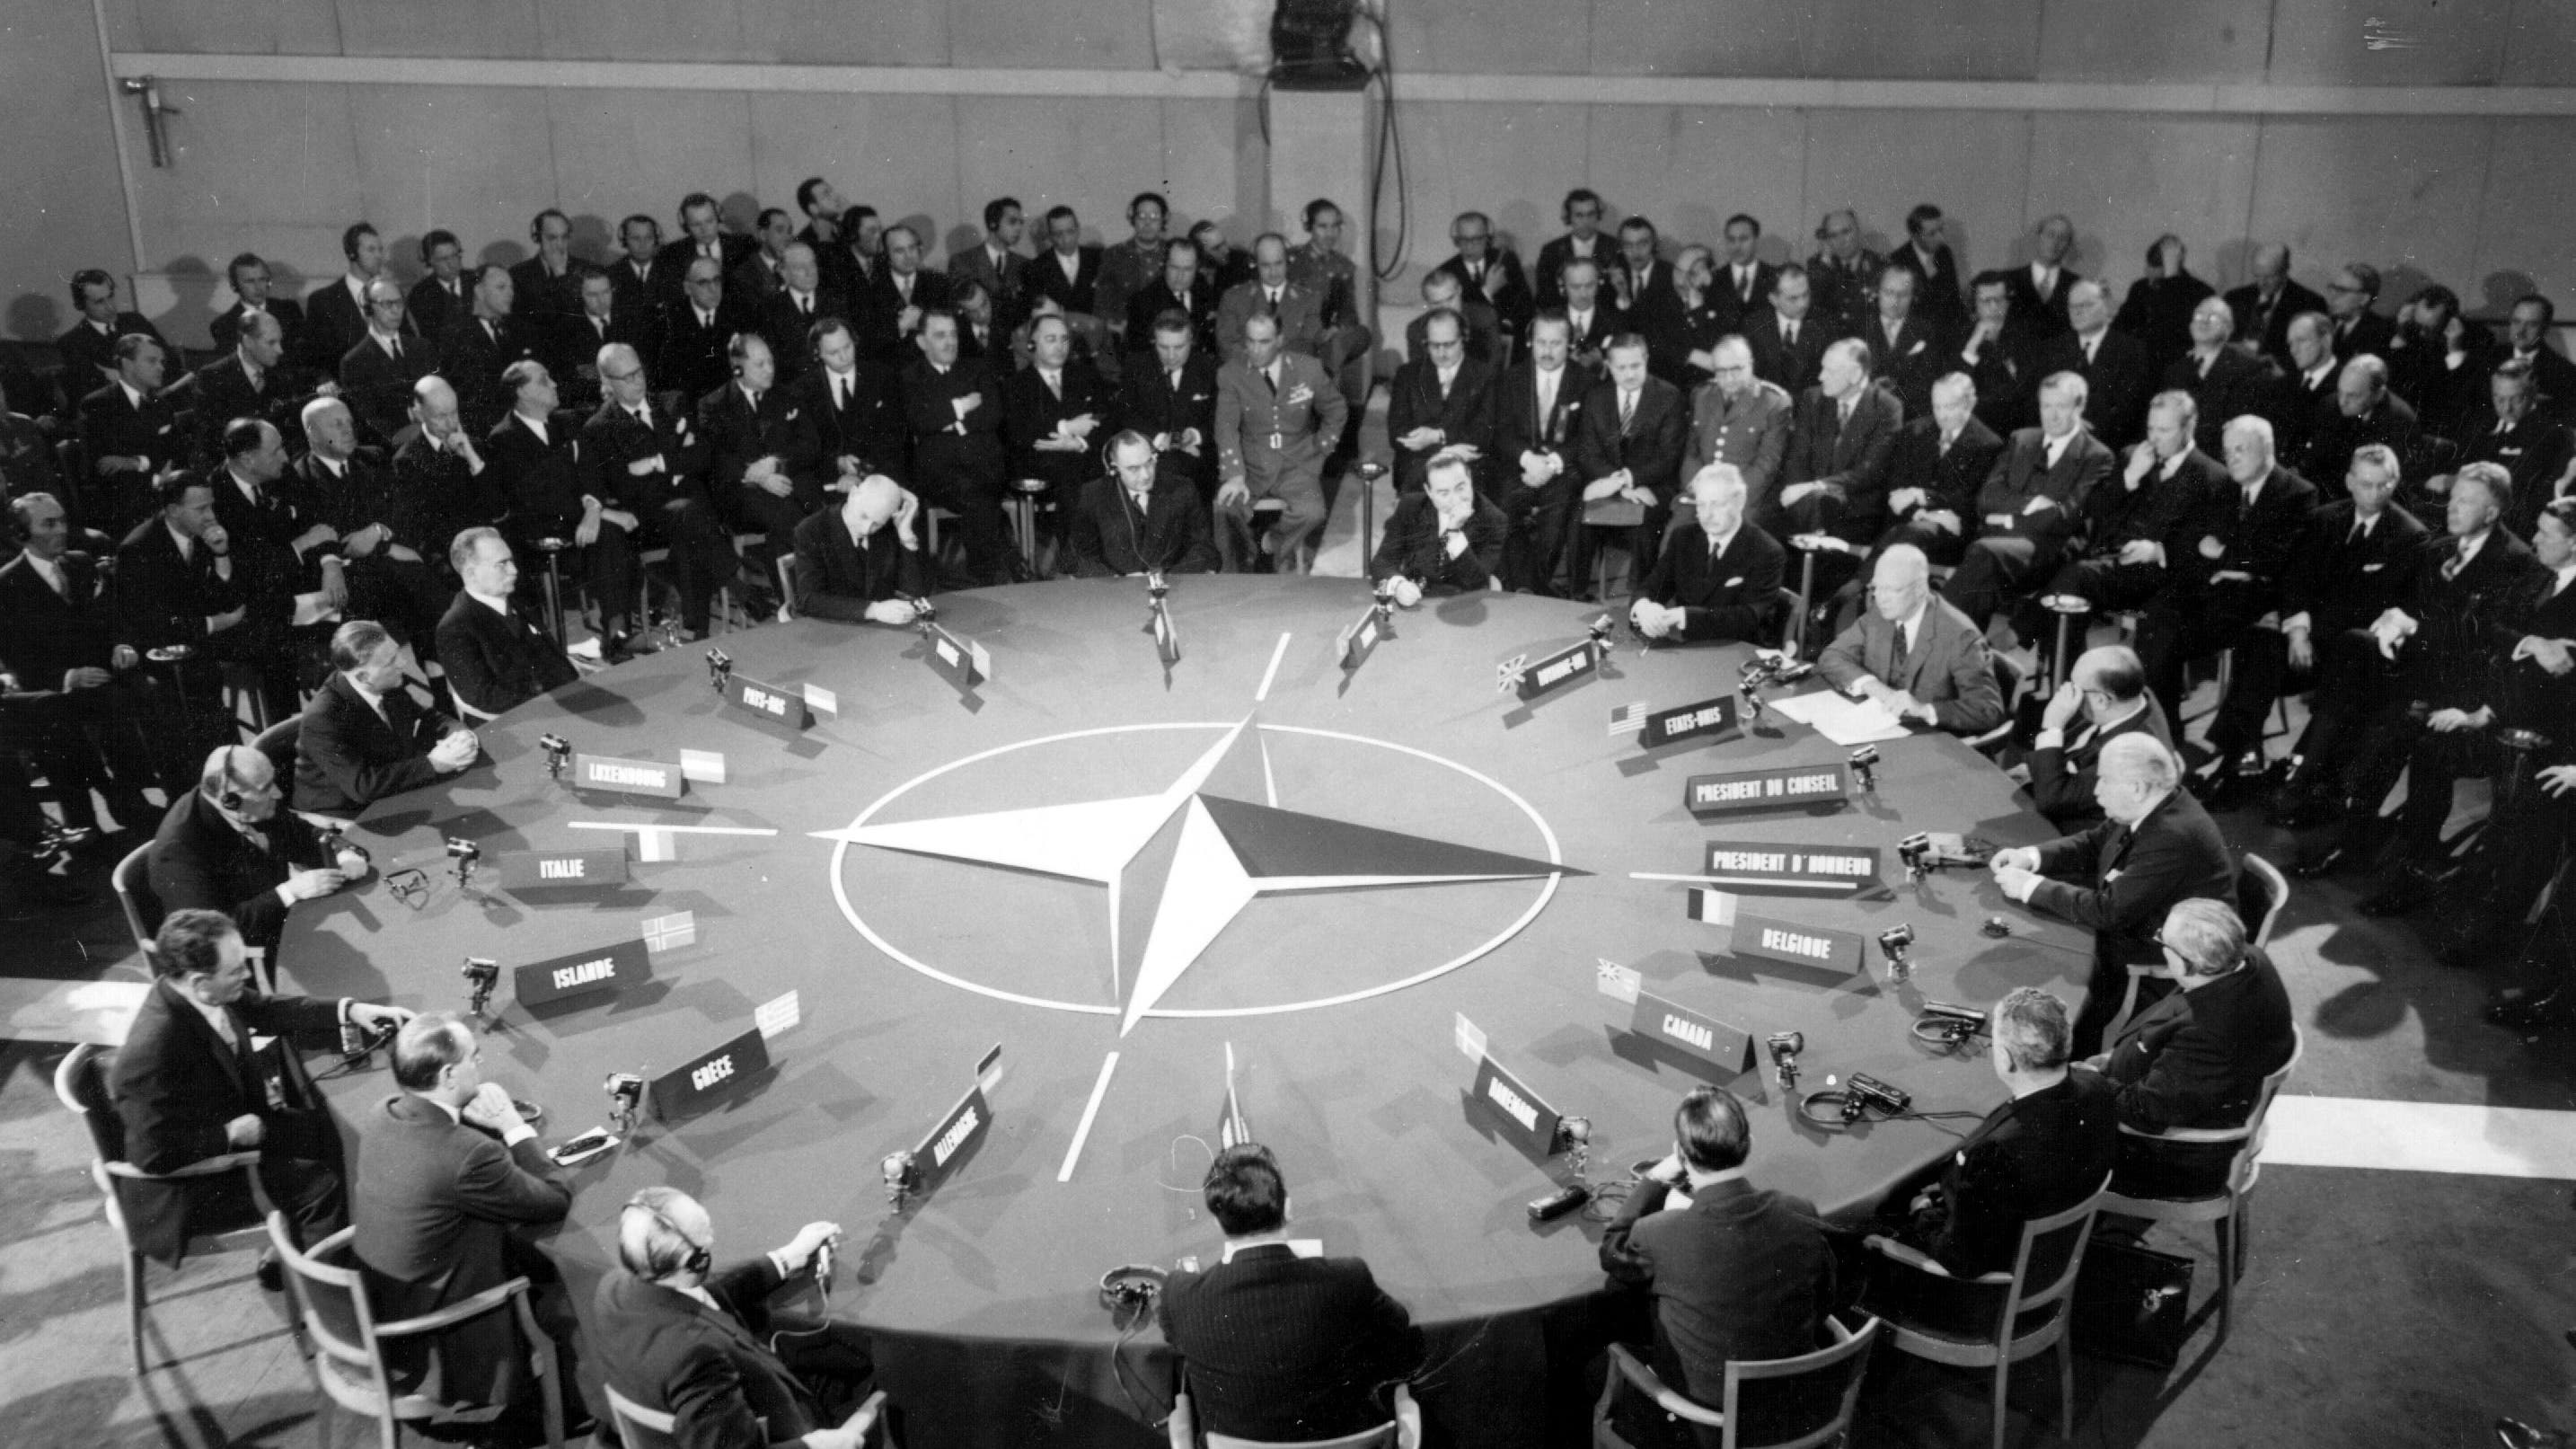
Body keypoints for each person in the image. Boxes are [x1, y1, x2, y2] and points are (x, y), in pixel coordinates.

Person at [112, 908, 411, 1269]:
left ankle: (309, 1245)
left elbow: (267, 1009)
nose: (246, 976)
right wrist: (228, 1135)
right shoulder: (151, 1052)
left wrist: (350, 1011)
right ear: (199, 984)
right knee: (320, 1187)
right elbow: (152, 1155)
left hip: (242, 1125)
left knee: (326, 1128)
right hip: (195, 1183)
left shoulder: (207, 992)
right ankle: (323, 1286)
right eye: (236, 971)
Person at [354, 1014, 582, 1430]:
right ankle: (549, 1411)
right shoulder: (467, 1154)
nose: (481, 1064)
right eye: (474, 1059)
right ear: (448, 1074)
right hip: (443, 1337)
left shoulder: (381, 1113)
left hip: (389, 1304)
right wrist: (512, 1125)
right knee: (569, 1296)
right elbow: (554, 1200)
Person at [1860, 987, 2117, 1336]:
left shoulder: (1997, 1153)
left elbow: (1961, 1259)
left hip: (1981, 1300)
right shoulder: (2097, 1088)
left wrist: (1921, 1212)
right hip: (2046, 1254)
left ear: (2008, 1059)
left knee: (1857, 1236)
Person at [1599, 1086, 1832, 1443]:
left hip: (1705, 1423)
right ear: (1748, 1143)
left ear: (1681, 1153)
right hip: (1796, 1405)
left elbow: (1612, 1249)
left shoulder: (1658, 1233)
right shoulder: (1799, 1212)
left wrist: (1654, 1179)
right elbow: (1825, 1300)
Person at [1159, 1144, 1425, 1441]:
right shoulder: (1348, 1279)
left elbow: (1174, 1340)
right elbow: (1397, 1327)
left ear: (1218, 1220)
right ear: (1287, 1208)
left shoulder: (1181, 1296)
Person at [1990, 734, 2236, 1055]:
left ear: (2136, 788)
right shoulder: (2153, 806)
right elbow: (2094, 843)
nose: (2095, 790)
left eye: (2103, 780)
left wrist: (2029, 887)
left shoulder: (2173, 835)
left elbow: (2110, 912)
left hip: (2154, 969)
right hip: (2135, 931)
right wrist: (2032, 856)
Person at [593, 1187, 880, 1449]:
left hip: (731, 1408)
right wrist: (816, 1445)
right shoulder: (695, 1356)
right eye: (706, 1238)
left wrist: (787, 1257)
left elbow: (703, 1293)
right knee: (868, 1368)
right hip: (791, 1429)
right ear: (696, 1262)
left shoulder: (614, 1289)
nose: (713, 1240)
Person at [2135, 414, 2320, 761]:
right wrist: (2231, 563)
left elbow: (2279, 561)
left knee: (2172, 632)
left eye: (2241, 450)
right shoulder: (2227, 486)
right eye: (2227, 451)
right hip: (2215, 593)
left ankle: (2197, 746)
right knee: (2157, 618)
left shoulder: (2297, 493)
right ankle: (2164, 736)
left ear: (2267, 449)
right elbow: (2195, 542)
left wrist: (2225, 555)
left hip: (2255, 605)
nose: (2231, 458)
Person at [2083, 898, 2296, 1198]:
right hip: (2180, 1091)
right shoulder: (2248, 959)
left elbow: (2145, 1112)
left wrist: (2088, 1084)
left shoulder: (2209, 1035)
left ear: (2187, 964)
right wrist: (2112, 1062)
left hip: (2169, 1158)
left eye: (2163, 941)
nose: (2159, 945)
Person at [0, 491, 166, 833]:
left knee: (146, 691)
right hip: (52, 687)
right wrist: (69, 676)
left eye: (62, 519)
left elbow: (112, 617)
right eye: (49, 523)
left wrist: (122, 644)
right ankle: (89, 818)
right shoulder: (8, 584)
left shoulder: (80, 563)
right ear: (21, 534)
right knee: (74, 720)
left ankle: (133, 796)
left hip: (104, 675)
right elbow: (15, 656)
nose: (61, 529)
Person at [585, 341, 745, 638]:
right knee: (689, 514)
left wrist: (657, 462)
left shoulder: (672, 403)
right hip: (646, 520)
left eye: (639, 372)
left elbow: (703, 455)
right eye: (627, 377)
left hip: (690, 513)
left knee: (689, 525)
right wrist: (676, 465)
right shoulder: (599, 428)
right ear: (607, 381)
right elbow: (626, 485)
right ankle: (739, 585)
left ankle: (696, 630)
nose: (638, 381)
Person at [150, 743, 370, 959]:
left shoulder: (252, 806)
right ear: (230, 802)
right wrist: (288, 892)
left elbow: (301, 834)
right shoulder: (178, 850)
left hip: (292, 919)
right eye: (265, 788)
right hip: (241, 952)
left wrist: (343, 853)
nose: (277, 793)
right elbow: (210, 932)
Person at [1937, 371, 2113, 632]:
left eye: (2061, 407)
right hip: (2000, 549)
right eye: (2046, 406)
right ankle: (1964, 655)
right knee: (1981, 575)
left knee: (1982, 556)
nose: (2051, 415)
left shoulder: (2096, 456)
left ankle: (1940, 644)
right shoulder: (2022, 439)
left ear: (2080, 406)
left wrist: (2006, 518)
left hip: (2049, 552)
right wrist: (2030, 505)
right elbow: (1986, 498)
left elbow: (2065, 517)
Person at [2040, 390, 2220, 640]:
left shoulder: (2212, 477)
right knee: (2058, 575)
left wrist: (2158, 549)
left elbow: (2205, 541)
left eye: (2164, 431)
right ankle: (2070, 670)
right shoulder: (2131, 456)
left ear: (2189, 427)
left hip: (2154, 573)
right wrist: (2131, 476)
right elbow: (2092, 509)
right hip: (2106, 560)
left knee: (2072, 580)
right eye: (2150, 429)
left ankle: (2025, 644)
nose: (2154, 439)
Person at [295, 619, 480, 816]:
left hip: (389, 788)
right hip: (346, 812)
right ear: (363, 678)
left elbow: (427, 718)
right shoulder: (322, 719)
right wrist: (432, 764)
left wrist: (460, 734)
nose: (403, 662)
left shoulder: (386, 682)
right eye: (391, 661)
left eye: (397, 652)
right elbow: (363, 786)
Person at [1817, 543, 2004, 733]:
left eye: (1892, 590)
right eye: (1876, 587)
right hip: (1882, 729)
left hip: (1934, 742)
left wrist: (1923, 710)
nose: (1880, 598)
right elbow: (1832, 656)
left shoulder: (1961, 636)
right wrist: (1875, 688)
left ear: (1920, 590)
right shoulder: (1881, 612)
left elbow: (1989, 711)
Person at [1214, 311, 1346, 574]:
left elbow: (1336, 409)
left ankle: (1271, 544)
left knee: (1313, 512)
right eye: (1250, 341)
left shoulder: (1308, 369)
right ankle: (1238, 567)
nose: (1255, 349)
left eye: (1264, 342)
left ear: (1280, 340)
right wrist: (1234, 475)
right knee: (1225, 507)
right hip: (1251, 465)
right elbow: (1226, 426)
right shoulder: (1231, 373)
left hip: (1297, 463)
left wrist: (1321, 447)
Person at [1565, 334, 1687, 600]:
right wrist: (1618, 483)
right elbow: (1587, 453)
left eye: (1636, 366)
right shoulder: (1596, 397)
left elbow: (1668, 457)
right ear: (1609, 366)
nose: (1630, 374)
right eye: (1621, 368)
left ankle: (1639, 598)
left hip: (1652, 485)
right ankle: (1576, 594)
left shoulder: (1669, 396)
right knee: (1579, 518)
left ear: (1646, 361)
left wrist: (1630, 479)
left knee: (1644, 526)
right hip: (1606, 484)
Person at [698, 331, 823, 590]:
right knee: (789, 517)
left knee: (812, 508)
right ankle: (809, 593)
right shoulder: (714, 405)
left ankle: (798, 597)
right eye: (759, 364)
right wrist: (760, 476)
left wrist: (776, 462)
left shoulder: (787, 396)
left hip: (787, 483)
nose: (769, 370)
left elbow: (810, 445)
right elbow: (716, 459)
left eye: (771, 362)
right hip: (743, 493)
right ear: (738, 369)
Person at [1773, 338, 1900, 584]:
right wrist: (1801, 494)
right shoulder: (1813, 399)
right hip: (1805, 502)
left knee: (1820, 514)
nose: (1821, 376)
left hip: (1854, 506)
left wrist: (1815, 487)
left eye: (1829, 370)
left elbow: (1869, 472)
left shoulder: (1886, 407)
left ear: (1854, 374)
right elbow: (1797, 458)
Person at [903, 309, 1015, 584]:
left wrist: (950, 421)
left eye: (953, 334)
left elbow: (993, 414)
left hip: (984, 465)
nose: (950, 342)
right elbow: (920, 421)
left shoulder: (977, 368)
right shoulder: (911, 376)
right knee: (979, 497)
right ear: (922, 342)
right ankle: (993, 573)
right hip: (941, 472)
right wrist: (962, 406)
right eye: (940, 335)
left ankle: (987, 573)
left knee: (981, 490)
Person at [1495, 311, 1600, 595]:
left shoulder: (1585, 382)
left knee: (1556, 518)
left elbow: (1587, 436)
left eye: (1556, 343)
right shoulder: (1512, 378)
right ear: (1530, 343)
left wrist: (1552, 463)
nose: (1548, 351)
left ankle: (1534, 588)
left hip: (1562, 469)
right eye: (1541, 343)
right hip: (1521, 467)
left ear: (1569, 344)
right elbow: (1502, 432)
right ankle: (1518, 583)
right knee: (1504, 509)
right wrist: (1528, 460)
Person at [2017, 645, 2176, 831]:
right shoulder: (2133, 695)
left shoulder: (2130, 753)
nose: (2067, 694)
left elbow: (2052, 800)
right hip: (2068, 782)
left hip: (2077, 829)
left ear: (2102, 700)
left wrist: (2052, 725)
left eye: (2075, 689)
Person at [1629, 464, 1784, 646]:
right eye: (1701, 505)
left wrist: (1685, 616)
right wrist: (1644, 607)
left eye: (1717, 504)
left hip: (1734, 651)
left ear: (1740, 501)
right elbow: (1651, 585)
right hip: (1685, 646)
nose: (1708, 515)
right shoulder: (1683, 537)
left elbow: (1749, 618)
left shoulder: (1765, 550)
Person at [1002, 313, 1116, 560]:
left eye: (1065, 339)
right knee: (1072, 471)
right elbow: (1019, 431)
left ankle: (1107, 553)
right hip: (1035, 463)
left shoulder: (1086, 376)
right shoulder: (1016, 385)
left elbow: (1107, 420)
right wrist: (1066, 428)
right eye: (1051, 339)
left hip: (1082, 456)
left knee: (1098, 469)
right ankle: (1076, 555)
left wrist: (1079, 443)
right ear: (1033, 343)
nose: (1060, 346)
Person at [1866, 372, 2004, 570]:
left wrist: (1923, 496)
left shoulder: (1988, 444)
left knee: (1906, 538)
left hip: (1950, 533)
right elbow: (1897, 486)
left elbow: (1969, 501)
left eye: (1950, 407)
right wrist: (1919, 512)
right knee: (1901, 535)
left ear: (1969, 404)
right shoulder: (1915, 430)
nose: (1942, 414)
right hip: (1909, 521)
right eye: (1936, 406)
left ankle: (1853, 592)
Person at [437, 527, 577, 718]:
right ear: (471, 574)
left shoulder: (516, 601)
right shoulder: (455, 627)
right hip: (518, 722)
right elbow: (483, 697)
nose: (514, 571)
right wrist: (548, 704)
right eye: (502, 564)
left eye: (511, 561)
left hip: (561, 704)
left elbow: (554, 658)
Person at [1068, 431, 1217, 578]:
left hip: (1173, 586)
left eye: (1149, 462)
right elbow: (1078, 556)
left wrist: (1167, 578)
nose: (1145, 475)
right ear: (1114, 467)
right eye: (1134, 468)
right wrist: (1117, 581)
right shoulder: (1093, 494)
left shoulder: (1182, 488)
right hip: (1117, 592)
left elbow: (1205, 549)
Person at [79, 331, 186, 535]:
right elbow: (103, 467)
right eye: (152, 361)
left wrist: (134, 462)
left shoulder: (161, 405)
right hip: (124, 506)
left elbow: (177, 454)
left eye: (162, 362)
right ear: (127, 364)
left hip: (165, 496)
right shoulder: (99, 405)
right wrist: (151, 471)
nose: (161, 368)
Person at [1680, 335, 1792, 526]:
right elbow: (1692, 453)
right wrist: (1699, 492)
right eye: (1721, 371)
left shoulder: (1774, 402)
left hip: (1745, 499)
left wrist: (1730, 497)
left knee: (1735, 539)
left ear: (1751, 365)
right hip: (1700, 495)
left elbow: (1767, 464)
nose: (1729, 378)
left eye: (1737, 369)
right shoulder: (1702, 395)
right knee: (1676, 535)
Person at [1386, 307, 1497, 497]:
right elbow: (1397, 433)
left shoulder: (1485, 375)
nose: (1441, 352)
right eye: (1434, 345)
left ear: (1464, 339)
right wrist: (1447, 450)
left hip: (1466, 465)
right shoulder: (1408, 374)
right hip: (1419, 464)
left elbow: (1485, 432)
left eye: (1449, 344)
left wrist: (1438, 436)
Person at [791, 473, 931, 623]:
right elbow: (809, 599)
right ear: (853, 494)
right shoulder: (812, 530)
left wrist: (906, 534)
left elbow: (917, 592)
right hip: (833, 630)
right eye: (864, 516)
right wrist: (874, 610)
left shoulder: (889, 527)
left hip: (881, 630)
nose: (866, 529)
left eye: (877, 524)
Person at [1370, 448, 1504, 603]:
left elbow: (1477, 585)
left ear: (1470, 480)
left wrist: (1454, 533)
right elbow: (1382, 561)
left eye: (1461, 488)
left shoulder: (1493, 519)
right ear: (1429, 491)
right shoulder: (1411, 506)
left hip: (1463, 604)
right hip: (1418, 602)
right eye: (1444, 493)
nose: (1455, 499)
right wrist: (1398, 585)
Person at [1119, 310, 1222, 504]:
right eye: (1163, 347)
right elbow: (1126, 414)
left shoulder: (1208, 368)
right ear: (1153, 342)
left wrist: (1196, 435)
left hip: (1197, 457)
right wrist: (1158, 439)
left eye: (1179, 347)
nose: (1171, 355)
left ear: (1191, 340)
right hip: (1149, 454)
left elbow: (1219, 417)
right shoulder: (1136, 366)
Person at [2037, 279, 2153, 449]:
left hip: (2112, 446)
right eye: (2073, 307)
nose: (2077, 312)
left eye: (2085, 305)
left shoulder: (2132, 351)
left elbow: (2132, 408)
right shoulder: (2052, 350)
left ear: (2105, 305)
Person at [2162, 296, 2277, 458]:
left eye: (2213, 317)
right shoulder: (2174, 371)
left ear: (2229, 329)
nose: (2204, 322)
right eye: (2199, 316)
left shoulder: (2248, 370)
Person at [445, 264, 544, 437]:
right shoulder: (457, 336)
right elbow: (470, 396)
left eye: (511, 287)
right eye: (501, 287)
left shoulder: (522, 330)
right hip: (488, 430)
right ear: (479, 291)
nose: (510, 293)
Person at [340, 278, 441, 446]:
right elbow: (368, 419)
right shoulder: (354, 361)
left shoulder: (423, 347)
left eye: (399, 303)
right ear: (368, 309)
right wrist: (410, 417)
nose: (396, 310)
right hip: (392, 448)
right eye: (387, 304)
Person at [1214, 234, 1328, 367]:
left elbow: (1309, 344)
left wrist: (1275, 367)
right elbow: (1227, 344)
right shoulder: (1233, 298)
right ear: (1255, 264)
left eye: (1278, 263)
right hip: (1247, 377)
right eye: (1266, 265)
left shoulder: (1309, 300)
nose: (1273, 272)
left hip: (1292, 377)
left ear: (1288, 261)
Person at [1434, 209, 1534, 358]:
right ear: (1456, 241)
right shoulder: (1446, 272)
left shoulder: (1507, 261)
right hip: (1469, 352)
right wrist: (1487, 291)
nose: (1470, 245)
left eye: (1477, 239)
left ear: (1488, 238)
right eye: (1464, 240)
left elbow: (1526, 307)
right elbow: (1458, 318)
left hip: (1510, 347)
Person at [2113, 234, 2214, 377]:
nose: (2147, 271)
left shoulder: (2200, 292)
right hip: (2137, 366)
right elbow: (2121, 326)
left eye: (2155, 267)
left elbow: (2172, 330)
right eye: (2148, 265)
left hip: (2175, 368)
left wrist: (2170, 280)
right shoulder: (2140, 288)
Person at [1953, 270, 2041, 436]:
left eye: (1999, 300)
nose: (1994, 307)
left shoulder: (2026, 336)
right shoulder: (1962, 338)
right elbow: (1955, 389)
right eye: (1986, 301)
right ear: (1974, 304)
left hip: (2020, 427)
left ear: (2008, 302)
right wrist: (1972, 346)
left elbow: (2028, 388)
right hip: (1979, 428)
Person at [57, 267, 168, 391]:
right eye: (99, 302)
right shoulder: (72, 342)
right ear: (80, 305)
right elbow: (91, 389)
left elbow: (171, 360)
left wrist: (122, 376)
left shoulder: (136, 321)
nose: (110, 307)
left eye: (110, 296)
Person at [2223, 243, 2326, 367]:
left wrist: (2276, 363)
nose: (2262, 283)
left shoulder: (2309, 303)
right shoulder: (2235, 297)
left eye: (2270, 277)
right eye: (2257, 276)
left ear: (2285, 270)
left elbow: (2313, 351)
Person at [1744, 265, 1834, 397]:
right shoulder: (1754, 326)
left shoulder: (1824, 325)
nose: (1802, 304)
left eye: (1806, 295)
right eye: (1793, 298)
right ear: (1773, 299)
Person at [947, 197, 1030, 337]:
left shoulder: (1025, 264)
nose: (1019, 228)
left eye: (1021, 223)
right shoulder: (962, 261)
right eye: (1012, 222)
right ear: (993, 224)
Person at [212, 252, 305, 357]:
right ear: (234, 285)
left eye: (262, 280)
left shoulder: (290, 310)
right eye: (249, 281)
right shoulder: (224, 325)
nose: (258, 287)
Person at [2004, 214, 2081, 337]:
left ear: (2068, 245)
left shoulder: (2078, 285)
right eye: (2050, 235)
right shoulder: (2009, 279)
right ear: (2039, 237)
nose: (2055, 242)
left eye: (2063, 238)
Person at [2325, 261, 2395, 363]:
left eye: (2342, 290)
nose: (2333, 296)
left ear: (2364, 299)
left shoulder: (2380, 332)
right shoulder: (2321, 322)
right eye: (2333, 288)